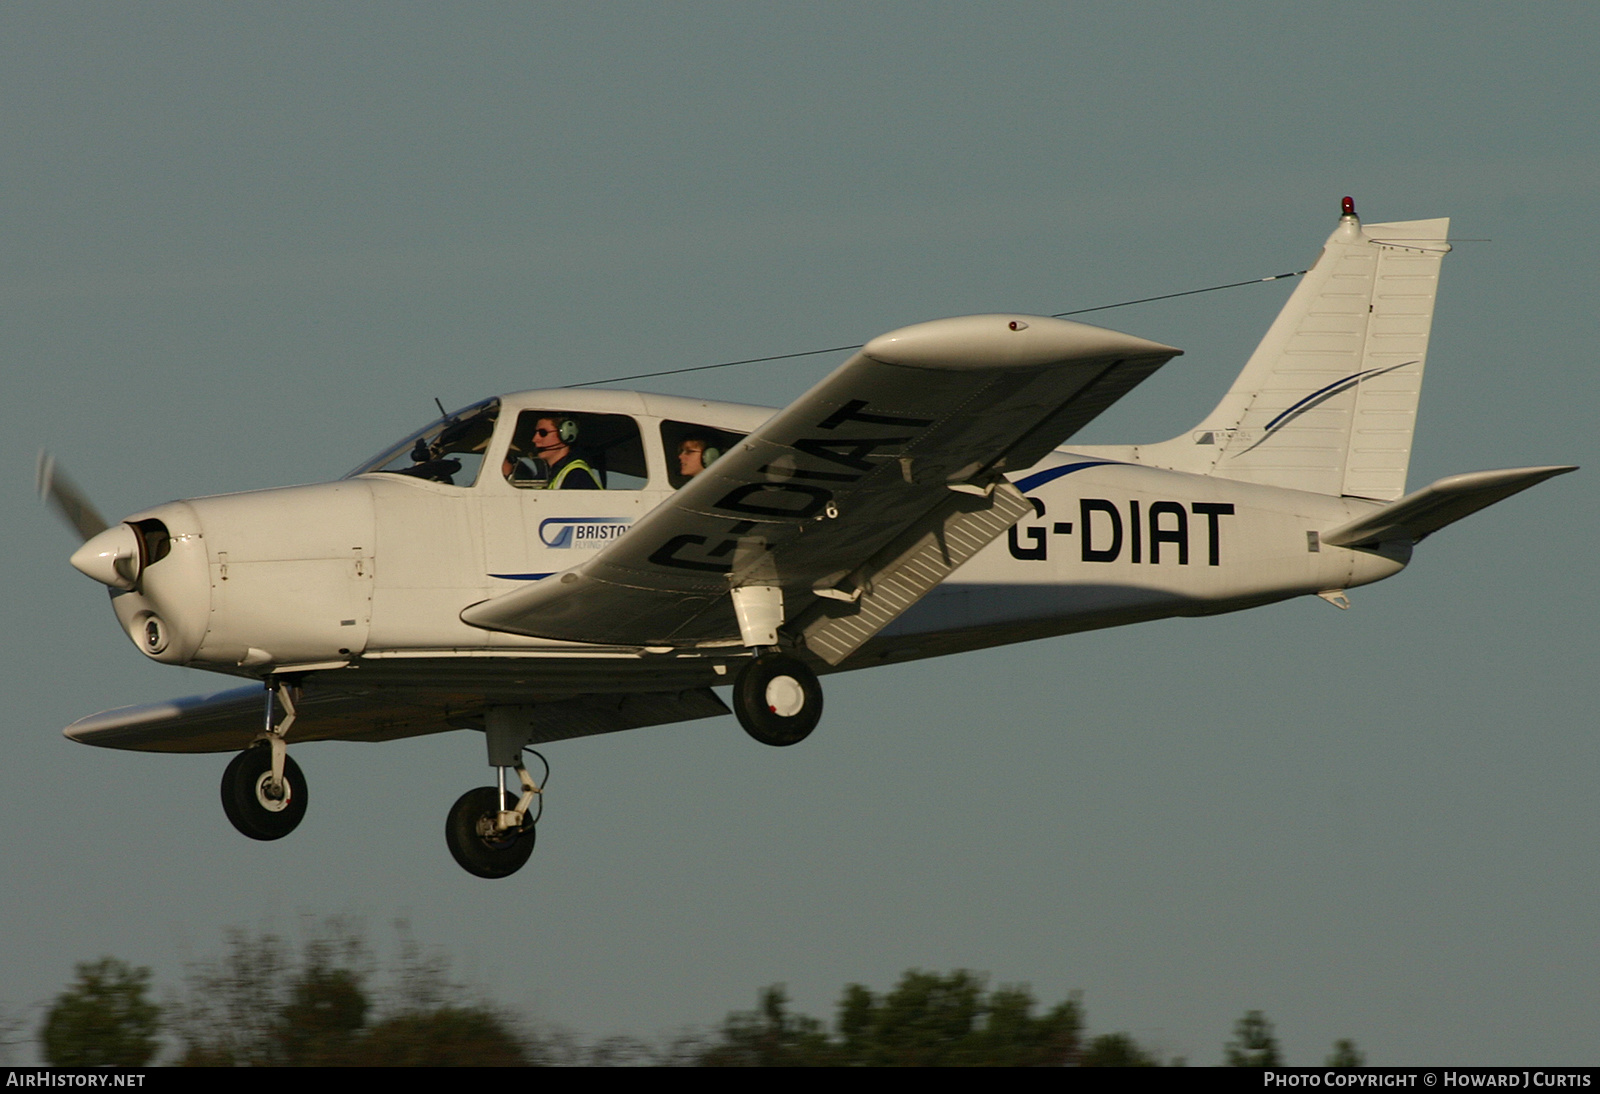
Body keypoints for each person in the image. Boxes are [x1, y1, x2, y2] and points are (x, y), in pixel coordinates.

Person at [529, 416, 601, 489]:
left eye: (543, 433)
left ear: (566, 434)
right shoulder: (544, 475)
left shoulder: (577, 476)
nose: (535, 439)